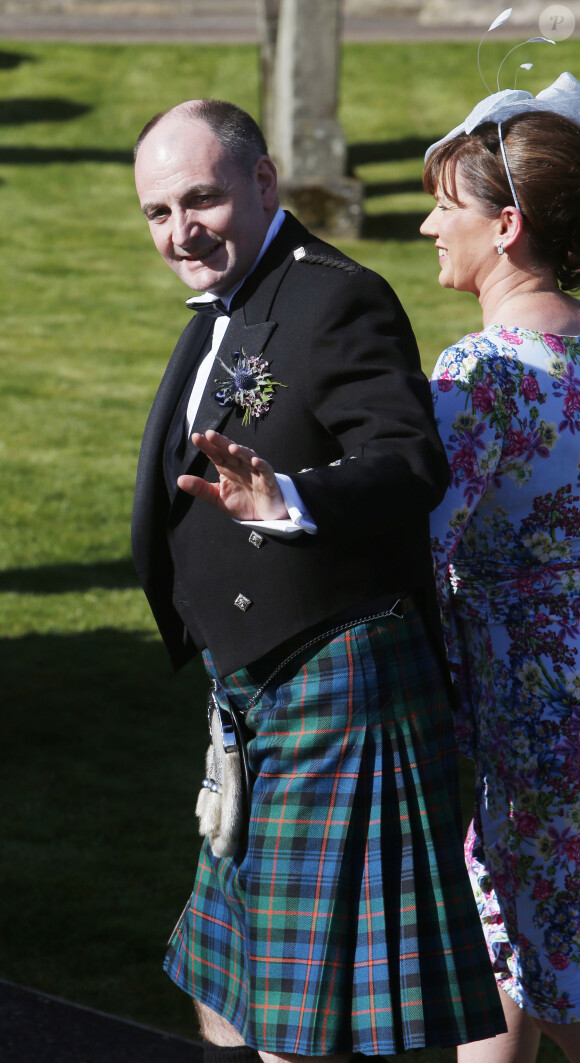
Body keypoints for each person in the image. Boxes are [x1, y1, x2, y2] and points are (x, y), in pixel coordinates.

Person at [131, 98, 506, 1063]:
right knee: (242, 1001)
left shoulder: (335, 294)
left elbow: (408, 458)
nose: (181, 231)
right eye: (159, 213)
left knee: (300, 1029)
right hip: (258, 686)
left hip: (336, 682)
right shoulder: (241, 299)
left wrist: (293, 497)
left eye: (201, 200)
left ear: (264, 183)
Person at [420, 72, 580, 1063]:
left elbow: (414, 544)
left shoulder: (484, 374)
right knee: (512, 952)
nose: (432, 227)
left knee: (548, 956)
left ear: (507, 224)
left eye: (448, 206)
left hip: (526, 721)